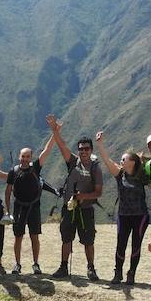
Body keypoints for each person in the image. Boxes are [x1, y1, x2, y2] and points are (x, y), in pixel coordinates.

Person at [46, 114, 103, 281]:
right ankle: (63, 267)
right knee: (66, 238)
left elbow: (98, 192)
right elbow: (61, 145)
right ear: (78, 151)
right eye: (81, 149)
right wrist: (54, 130)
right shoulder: (72, 162)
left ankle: (91, 268)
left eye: (86, 148)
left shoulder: (96, 168)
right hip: (69, 208)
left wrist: (82, 196)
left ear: (91, 150)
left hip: (85, 209)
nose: (83, 151)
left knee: (88, 240)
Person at [95, 132, 150, 285]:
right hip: (124, 216)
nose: (121, 161)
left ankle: (131, 273)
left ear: (132, 162)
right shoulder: (120, 175)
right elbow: (107, 161)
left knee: (136, 245)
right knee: (121, 244)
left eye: (124, 159)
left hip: (140, 216)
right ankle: (118, 273)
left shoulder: (142, 175)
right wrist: (100, 145)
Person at [4, 134, 55, 275]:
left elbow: (46, 150)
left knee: (34, 236)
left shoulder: (36, 168)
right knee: (18, 236)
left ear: (31, 158)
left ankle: (36, 264)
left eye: (27, 156)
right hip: (19, 207)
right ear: (19, 157)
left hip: (34, 206)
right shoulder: (13, 172)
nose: (25, 159)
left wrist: (55, 133)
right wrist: (7, 211)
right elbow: (8, 192)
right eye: (23, 156)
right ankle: (17, 264)